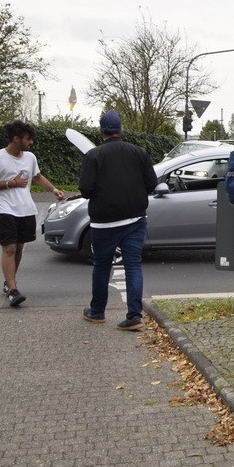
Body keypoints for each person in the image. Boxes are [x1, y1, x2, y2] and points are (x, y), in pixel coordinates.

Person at [79, 111, 158, 330]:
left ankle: (97, 312)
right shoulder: (139, 152)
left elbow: (85, 190)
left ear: (101, 130)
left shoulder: (93, 155)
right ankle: (134, 316)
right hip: (135, 218)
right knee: (133, 265)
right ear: (121, 129)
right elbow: (151, 183)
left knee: (102, 266)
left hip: (104, 222)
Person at [0, 120, 65, 306]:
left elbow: (37, 176)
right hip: (4, 210)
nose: (30, 142)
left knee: (18, 248)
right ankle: (13, 289)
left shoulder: (30, 158)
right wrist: (11, 183)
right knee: (9, 247)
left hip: (25, 209)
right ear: (16, 139)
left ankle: (9, 282)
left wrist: (54, 190)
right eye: (27, 138)